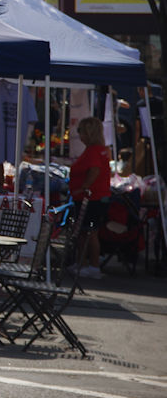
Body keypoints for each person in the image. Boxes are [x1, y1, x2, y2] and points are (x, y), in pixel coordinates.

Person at [69, 116, 111, 279]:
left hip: (91, 198)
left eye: (81, 132)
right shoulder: (100, 150)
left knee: (87, 232)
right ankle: (85, 263)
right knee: (87, 232)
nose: (79, 135)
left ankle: (91, 265)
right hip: (96, 197)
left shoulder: (93, 151)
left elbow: (95, 170)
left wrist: (83, 188)